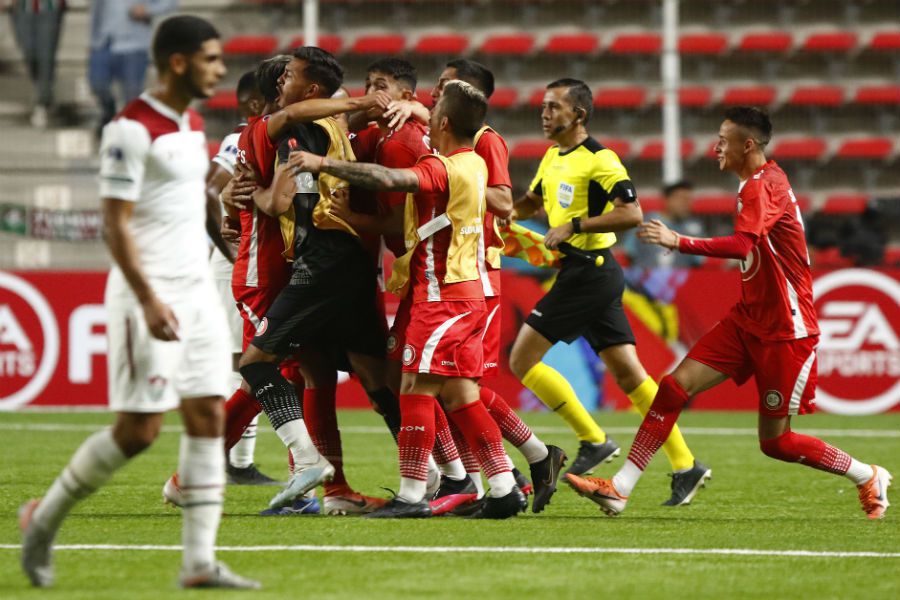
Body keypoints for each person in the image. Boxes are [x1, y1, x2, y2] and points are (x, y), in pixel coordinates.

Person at [19, 16, 260, 589]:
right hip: (146, 295)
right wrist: (149, 298)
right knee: (140, 431)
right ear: (178, 62)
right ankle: (43, 521)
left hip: (197, 291)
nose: (220, 68)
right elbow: (113, 224)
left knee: (206, 417)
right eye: (210, 58)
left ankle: (199, 562)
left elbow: (197, 195)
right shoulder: (130, 130)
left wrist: (222, 236)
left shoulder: (191, 123)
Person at [566, 106, 892, 520]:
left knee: (776, 443)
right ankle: (619, 489)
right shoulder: (757, 184)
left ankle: (867, 475)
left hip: (784, 329)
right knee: (672, 388)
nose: (716, 147)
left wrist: (678, 241)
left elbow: (742, 247)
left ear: (748, 145)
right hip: (747, 319)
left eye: (724, 140)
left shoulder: (762, 187)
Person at [292, 80, 526, 519]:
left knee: (413, 386)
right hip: (469, 293)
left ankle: (412, 494)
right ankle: (503, 486)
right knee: (459, 395)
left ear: (444, 123)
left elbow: (388, 178)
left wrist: (322, 162)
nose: (427, 116)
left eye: (433, 111)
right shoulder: (475, 164)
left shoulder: (444, 167)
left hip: (443, 296)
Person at [509, 78, 710, 506]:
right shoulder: (551, 157)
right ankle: (685, 464)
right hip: (590, 274)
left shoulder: (601, 160)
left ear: (578, 115)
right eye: (543, 107)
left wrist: (575, 226)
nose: (544, 114)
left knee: (521, 359)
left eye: (553, 107)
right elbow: (531, 201)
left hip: (589, 272)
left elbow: (632, 212)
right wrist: (502, 214)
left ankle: (593, 439)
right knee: (630, 375)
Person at [236, 46, 398, 513]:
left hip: (320, 264)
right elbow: (275, 199)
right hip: (349, 264)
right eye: (281, 76)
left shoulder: (293, 129)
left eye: (291, 75)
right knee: (368, 376)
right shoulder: (319, 125)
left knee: (255, 364)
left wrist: (259, 194)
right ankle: (434, 474)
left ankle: (308, 462)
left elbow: (277, 204)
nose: (284, 82)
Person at [203, 69, 278, 486]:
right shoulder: (241, 137)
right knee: (242, 359)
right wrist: (230, 249)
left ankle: (236, 460)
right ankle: (236, 463)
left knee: (250, 357)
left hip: (245, 258)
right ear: (256, 103)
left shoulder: (263, 134)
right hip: (235, 260)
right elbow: (209, 190)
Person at [88, 0, 178, 132]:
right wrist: (93, 41)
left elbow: (170, 3)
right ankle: (109, 112)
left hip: (134, 44)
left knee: (131, 93)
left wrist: (148, 9)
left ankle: (129, 133)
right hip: (104, 42)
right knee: (98, 84)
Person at [7, 0, 66, 128]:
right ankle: (43, 91)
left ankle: (43, 102)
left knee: (46, 53)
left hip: (50, 6)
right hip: (20, 6)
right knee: (28, 51)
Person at [624, 180, 705, 268]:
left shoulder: (694, 229)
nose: (686, 203)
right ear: (667, 199)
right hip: (646, 280)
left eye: (689, 199)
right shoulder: (645, 223)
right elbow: (629, 253)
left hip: (681, 280)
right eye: (681, 198)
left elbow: (699, 261)